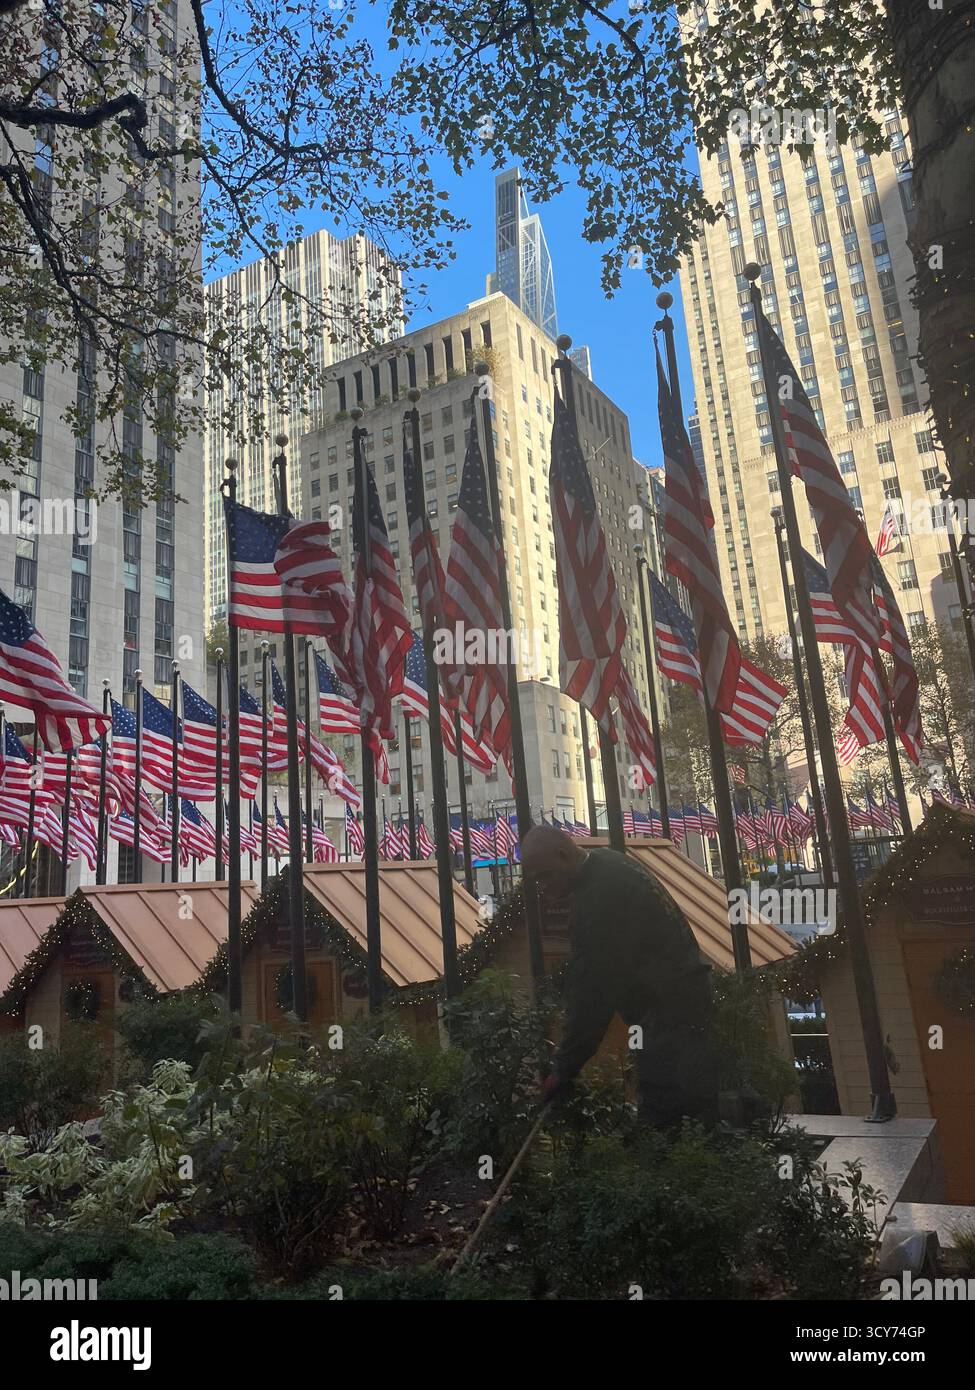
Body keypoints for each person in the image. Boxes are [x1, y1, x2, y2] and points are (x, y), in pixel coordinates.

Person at [521, 824, 719, 1129]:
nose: (542, 888)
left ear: (563, 855)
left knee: (666, 1118)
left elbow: (592, 994)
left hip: (668, 1015)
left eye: (544, 876)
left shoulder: (598, 900)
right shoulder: (610, 863)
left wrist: (562, 1070)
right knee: (693, 1111)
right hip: (685, 1003)